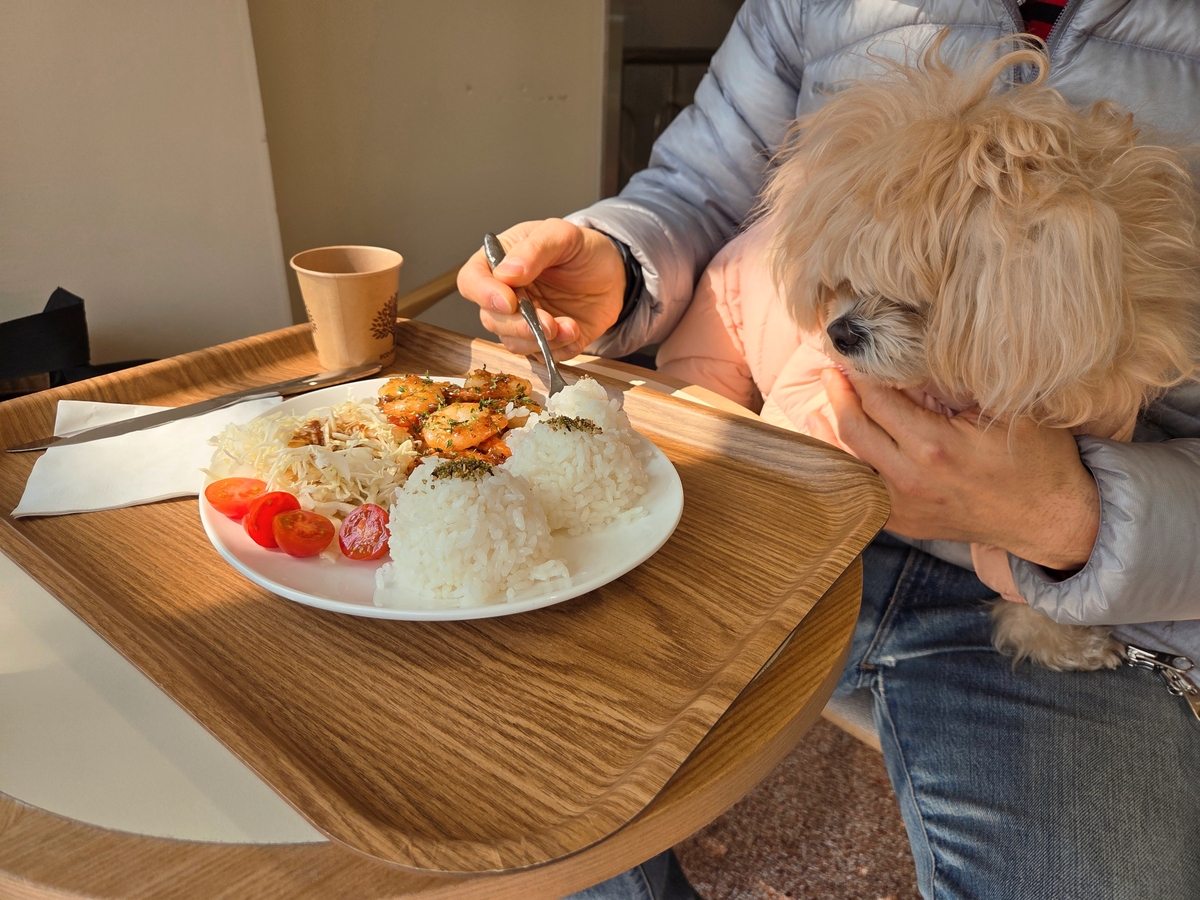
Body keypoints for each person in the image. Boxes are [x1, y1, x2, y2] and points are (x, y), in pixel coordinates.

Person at [458, 2, 1200, 898]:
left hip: (1113, 584)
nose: (851, 318)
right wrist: (619, 262)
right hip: (777, 498)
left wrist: (1071, 517)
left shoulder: (1102, 326)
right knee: (513, 766)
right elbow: (698, 195)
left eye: (906, 299)